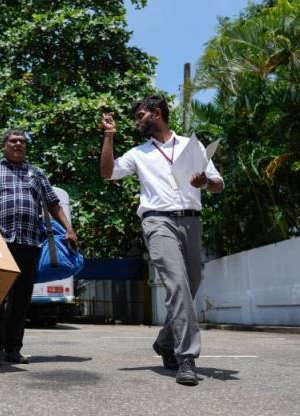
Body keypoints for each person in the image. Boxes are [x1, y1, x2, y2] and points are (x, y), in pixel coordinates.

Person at [99, 95, 224, 386]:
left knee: (190, 285)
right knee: (177, 284)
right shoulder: (139, 153)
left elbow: (218, 183)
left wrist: (204, 182)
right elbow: (108, 173)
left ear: (156, 113)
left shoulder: (192, 147)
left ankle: (165, 341)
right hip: (157, 220)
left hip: (191, 220)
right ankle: (187, 358)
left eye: (140, 115)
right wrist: (108, 136)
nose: (137, 121)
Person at [0, 128, 78, 367]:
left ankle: (13, 349)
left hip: (30, 243)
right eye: (13, 141)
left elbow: (53, 204)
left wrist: (69, 229)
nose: (18, 144)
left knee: (21, 300)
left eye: (22, 141)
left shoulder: (36, 173)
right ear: (4, 145)